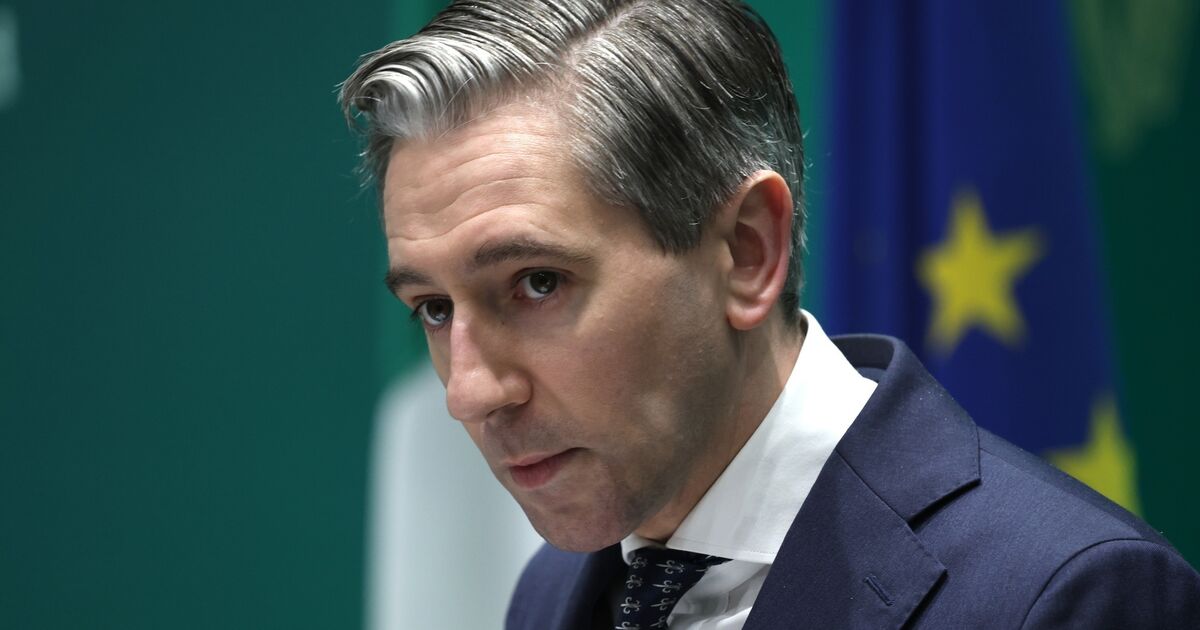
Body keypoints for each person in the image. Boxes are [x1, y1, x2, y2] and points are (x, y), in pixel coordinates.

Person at [338, 1, 1200, 627]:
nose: (469, 393)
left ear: (748, 252)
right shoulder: (554, 592)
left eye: (536, 283)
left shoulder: (1065, 596)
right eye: (433, 308)